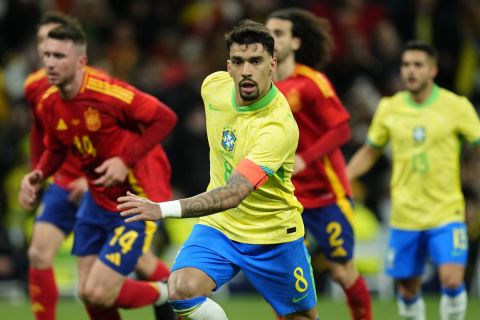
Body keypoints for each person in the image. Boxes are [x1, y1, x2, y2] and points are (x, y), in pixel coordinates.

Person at [117, 19, 319, 320]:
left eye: (256, 61)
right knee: (181, 289)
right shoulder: (213, 88)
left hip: (273, 235)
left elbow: (235, 192)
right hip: (221, 227)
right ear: (228, 66)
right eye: (238, 61)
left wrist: (162, 209)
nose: (246, 70)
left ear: (273, 64)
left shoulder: (277, 127)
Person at [19, 23, 178, 320]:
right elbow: (55, 148)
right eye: (48, 55)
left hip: (134, 199)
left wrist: (125, 160)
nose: (50, 63)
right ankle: (165, 289)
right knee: (89, 296)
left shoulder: (108, 93)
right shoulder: (48, 102)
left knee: (98, 291)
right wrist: (39, 174)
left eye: (59, 56)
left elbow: (165, 118)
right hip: (96, 199)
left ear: (81, 61)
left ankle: (170, 291)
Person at [347, 40, 480, 320]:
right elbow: (370, 151)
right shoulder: (389, 108)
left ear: (433, 69)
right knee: (407, 290)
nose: (410, 70)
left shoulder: (456, 106)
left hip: (446, 211)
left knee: (452, 279)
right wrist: (344, 178)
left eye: (418, 65)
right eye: (406, 64)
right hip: (405, 213)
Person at [265, 8, 372, 320]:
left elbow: (341, 129)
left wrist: (304, 158)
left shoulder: (312, 82)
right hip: (286, 196)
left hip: (326, 192)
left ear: (296, 42)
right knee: (283, 275)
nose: (272, 37)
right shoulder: (261, 88)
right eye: (268, 31)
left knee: (341, 271)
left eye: (280, 32)